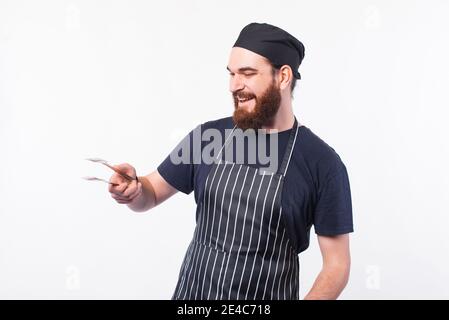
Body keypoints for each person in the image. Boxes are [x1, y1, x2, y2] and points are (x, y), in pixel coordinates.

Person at [108, 22, 353, 300]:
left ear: (283, 77)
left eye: (247, 74)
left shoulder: (322, 163)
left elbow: (337, 266)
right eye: (232, 74)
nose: (234, 86)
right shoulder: (208, 137)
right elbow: (150, 194)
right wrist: (133, 189)